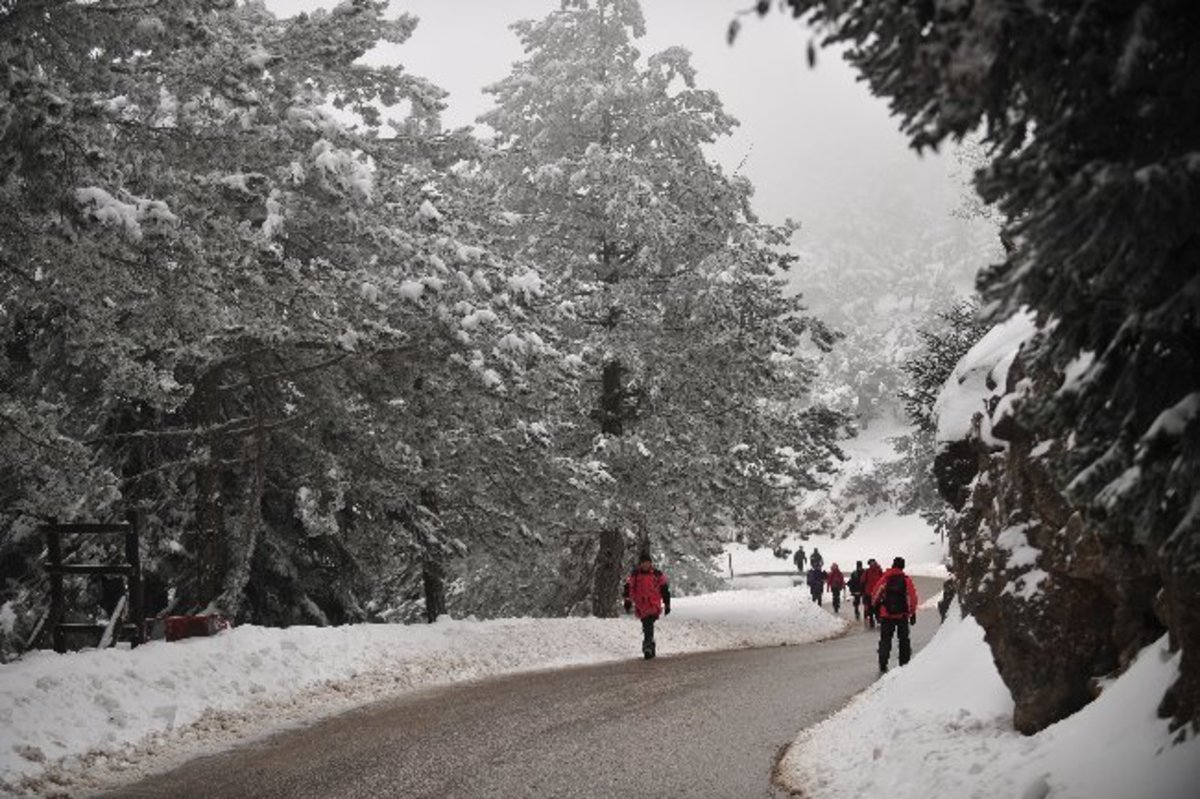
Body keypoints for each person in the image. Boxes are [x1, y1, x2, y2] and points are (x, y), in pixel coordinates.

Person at [871, 556, 919, 673]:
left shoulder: (885, 579)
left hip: (886, 615)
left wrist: (875, 607)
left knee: (885, 640)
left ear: (893, 565)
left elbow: (875, 595)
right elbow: (913, 598)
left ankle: (883, 662)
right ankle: (904, 663)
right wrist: (912, 612)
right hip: (902, 616)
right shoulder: (906, 580)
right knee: (903, 640)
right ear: (902, 566)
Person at [623, 549, 670, 659]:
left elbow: (664, 589)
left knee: (648, 623)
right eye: (643, 562)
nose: (645, 564)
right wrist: (627, 600)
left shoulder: (657, 574)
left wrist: (667, 604)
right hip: (641, 605)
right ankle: (651, 645)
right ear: (640, 564)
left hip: (653, 604)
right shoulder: (635, 575)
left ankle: (647, 646)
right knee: (647, 625)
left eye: (647, 562)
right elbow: (628, 588)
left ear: (650, 563)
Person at [861, 557, 884, 629]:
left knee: (878, 607)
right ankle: (872, 620)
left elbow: (883, 580)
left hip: (877, 593)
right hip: (869, 593)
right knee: (870, 608)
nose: (872, 564)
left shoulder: (879, 571)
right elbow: (862, 580)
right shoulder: (867, 572)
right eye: (871, 563)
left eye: (873, 563)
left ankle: (878, 619)